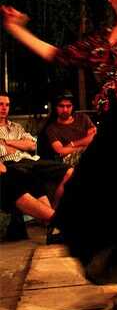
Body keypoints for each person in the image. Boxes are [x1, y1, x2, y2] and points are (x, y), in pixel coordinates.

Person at [1, 0, 117, 310]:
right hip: (112, 126)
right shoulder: (99, 39)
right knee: (80, 196)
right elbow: (57, 55)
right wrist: (17, 29)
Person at [0, 92, 72, 237]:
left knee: (70, 171)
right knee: (27, 179)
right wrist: (18, 145)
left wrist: (7, 142)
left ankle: (54, 223)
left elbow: (32, 144)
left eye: (7, 105)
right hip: (12, 163)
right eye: (0, 104)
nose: (4, 108)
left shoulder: (16, 127)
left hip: (31, 160)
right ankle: (57, 223)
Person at [39, 90, 96, 167]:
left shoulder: (83, 118)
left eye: (68, 106)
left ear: (73, 107)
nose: (65, 110)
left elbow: (94, 137)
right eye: (61, 106)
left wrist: (72, 144)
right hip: (69, 162)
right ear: (56, 107)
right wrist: (83, 147)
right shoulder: (51, 128)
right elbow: (60, 151)